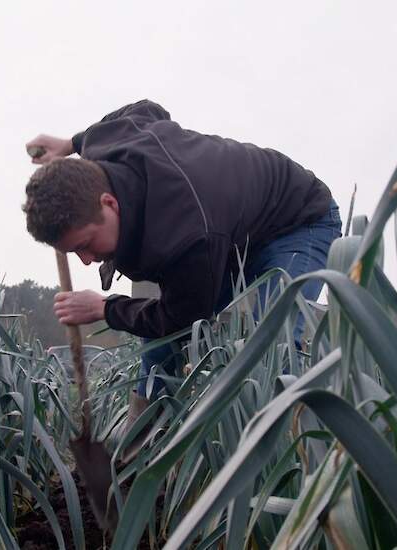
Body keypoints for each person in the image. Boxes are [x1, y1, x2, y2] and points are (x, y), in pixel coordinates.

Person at [22, 99, 340, 451]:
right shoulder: (104, 141)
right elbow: (148, 109)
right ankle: (139, 450)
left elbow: (178, 318)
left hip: (297, 220)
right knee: (160, 348)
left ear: (109, 203)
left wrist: (105, 309)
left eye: (85, 244)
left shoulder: (185, 235)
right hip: (230, 229)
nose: (85, 261)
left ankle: (278, 466)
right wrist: (69, 145)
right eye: (74, 252)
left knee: (274, 349)